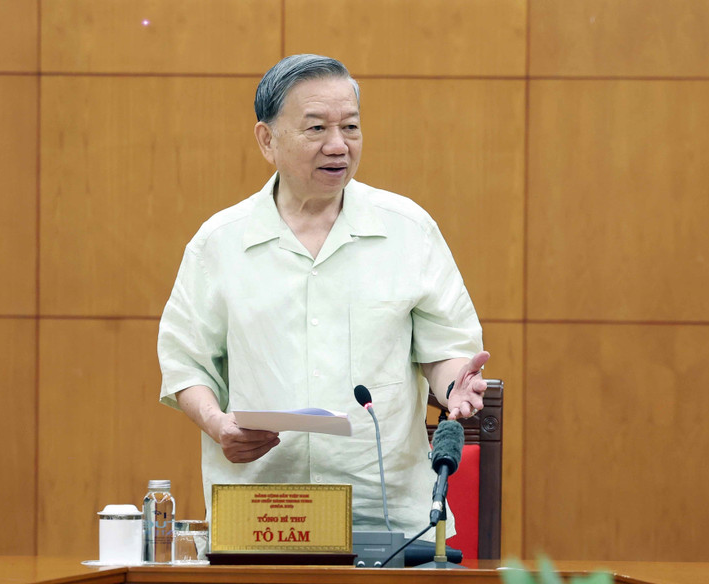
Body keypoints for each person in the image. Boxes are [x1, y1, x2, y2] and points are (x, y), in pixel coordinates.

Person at [157, 54, 490, 539]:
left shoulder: (408, 230)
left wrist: (453, 384)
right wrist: (216, 423)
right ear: (266, 140)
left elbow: (445, 349)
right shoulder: (220, 242)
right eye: (316, 128)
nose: (338, 145)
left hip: (383, 513)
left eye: (350, 127)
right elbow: (186, 362)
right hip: (263, 514)